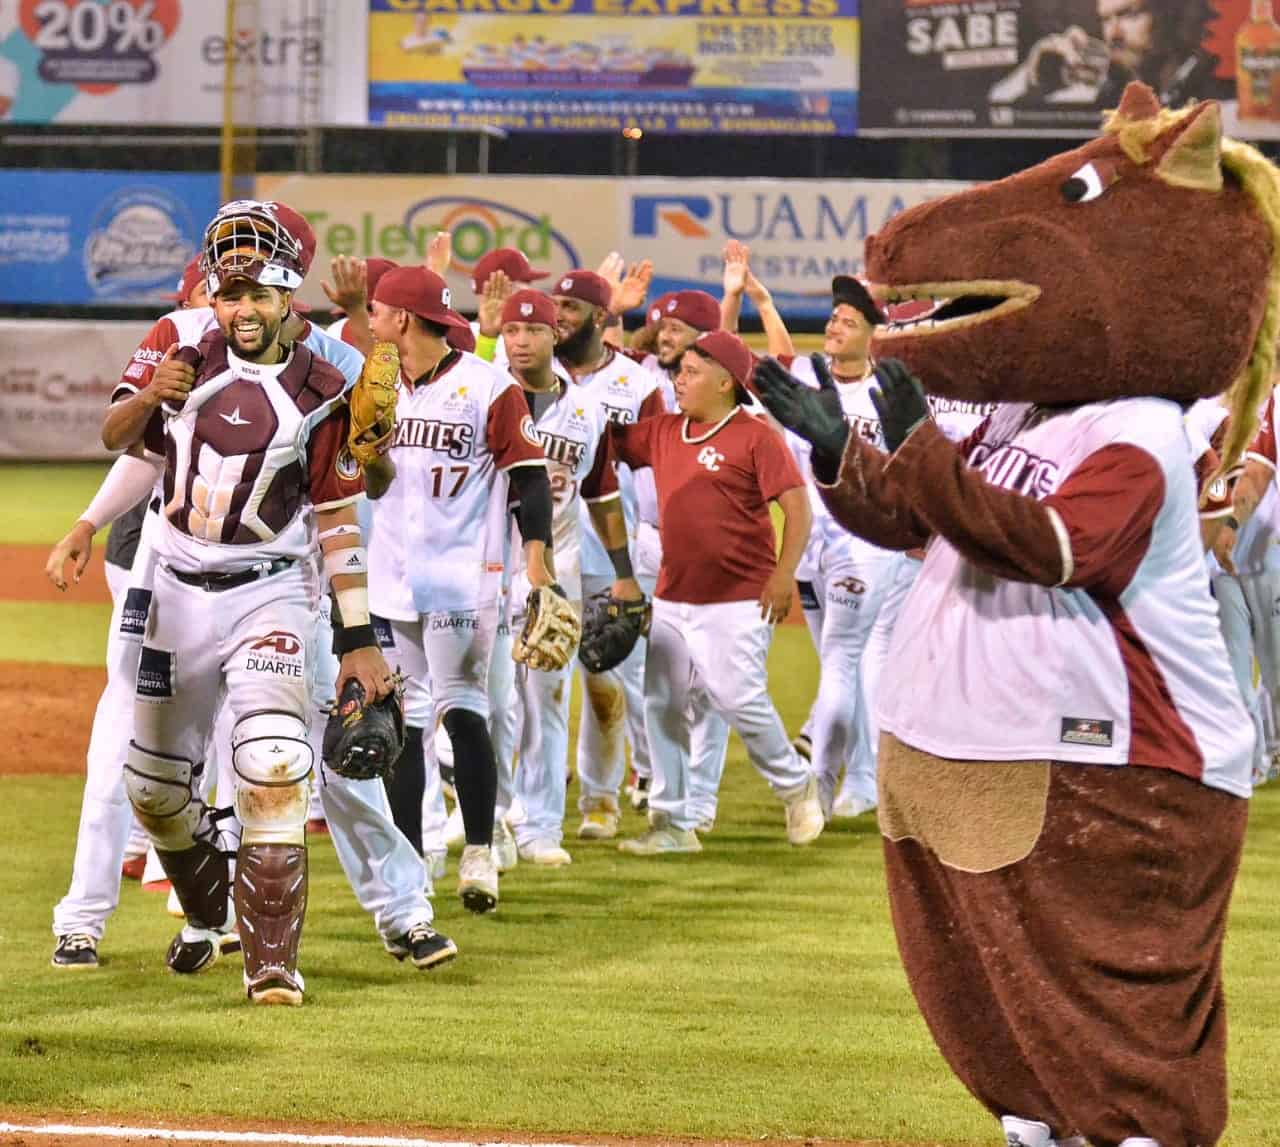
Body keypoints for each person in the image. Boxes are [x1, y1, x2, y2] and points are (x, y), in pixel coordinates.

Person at [117, 201, 394, 1006]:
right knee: (154, 793)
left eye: (257, 294)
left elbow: (339, 520)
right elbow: (113, 435)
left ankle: (273, 962)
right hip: (172, 581)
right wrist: (148, 399)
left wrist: (359, 640)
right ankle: (210, 913)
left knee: (273, 766)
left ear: (287, 297)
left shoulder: (327, 382)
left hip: (268, 589)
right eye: (228, 292)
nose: (240, 309)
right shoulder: (178, 342)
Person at [365, 265, 554, 913]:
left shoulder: (488, 386)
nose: (371, 322)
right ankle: (413, 857)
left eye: (378, 312)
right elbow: (368, 485)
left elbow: (530, 478)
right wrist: (367, 451)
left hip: (462, 581)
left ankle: (478, 850)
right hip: (390, 581)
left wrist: (537, 558)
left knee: (466, 711)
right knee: (400, 723)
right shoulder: (376, 389)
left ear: (403, 319)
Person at [608, 330, 824, 854]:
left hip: (739, 597)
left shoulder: (754, 435)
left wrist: (783, 574)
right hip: (674, 596)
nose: (679, 380)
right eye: (678, 371)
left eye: (691, 372)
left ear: (726, 381)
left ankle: (796, 786)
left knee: (739, 700)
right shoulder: (662, 430)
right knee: (662, 703)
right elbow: (606, 437)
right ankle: (673, 824)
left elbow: (798, 507)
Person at [496, 288, 640, 863]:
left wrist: (624, 573)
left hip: (557, 571)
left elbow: (603, 497)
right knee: (490, 705)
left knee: (547, 702)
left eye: (533, 330)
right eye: (511, 330)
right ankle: (493, 819)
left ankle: (540, 828)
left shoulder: (586, 411)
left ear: (556, 335)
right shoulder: (481, 394)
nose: (522, 340)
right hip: (486, 568)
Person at [551, 269, 667, 836]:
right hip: (542, 553)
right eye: (556, 305)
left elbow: (651, 473)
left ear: (600, 318)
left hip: (610, 549)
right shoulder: (530, 371)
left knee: (608, 679)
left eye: (571, 308)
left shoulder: (637, 384)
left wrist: (643, 559)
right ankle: (532, 803)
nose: (558, 316)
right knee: (538, 685)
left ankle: (602, 798)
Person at [990, 0, 1227, 109]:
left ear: (1170, 14)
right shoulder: (1103, 92)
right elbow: (994, 102)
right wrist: (1030, 77)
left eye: (1128, 15)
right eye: (1106, 19)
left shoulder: (1225, 100)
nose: (1113, 34)